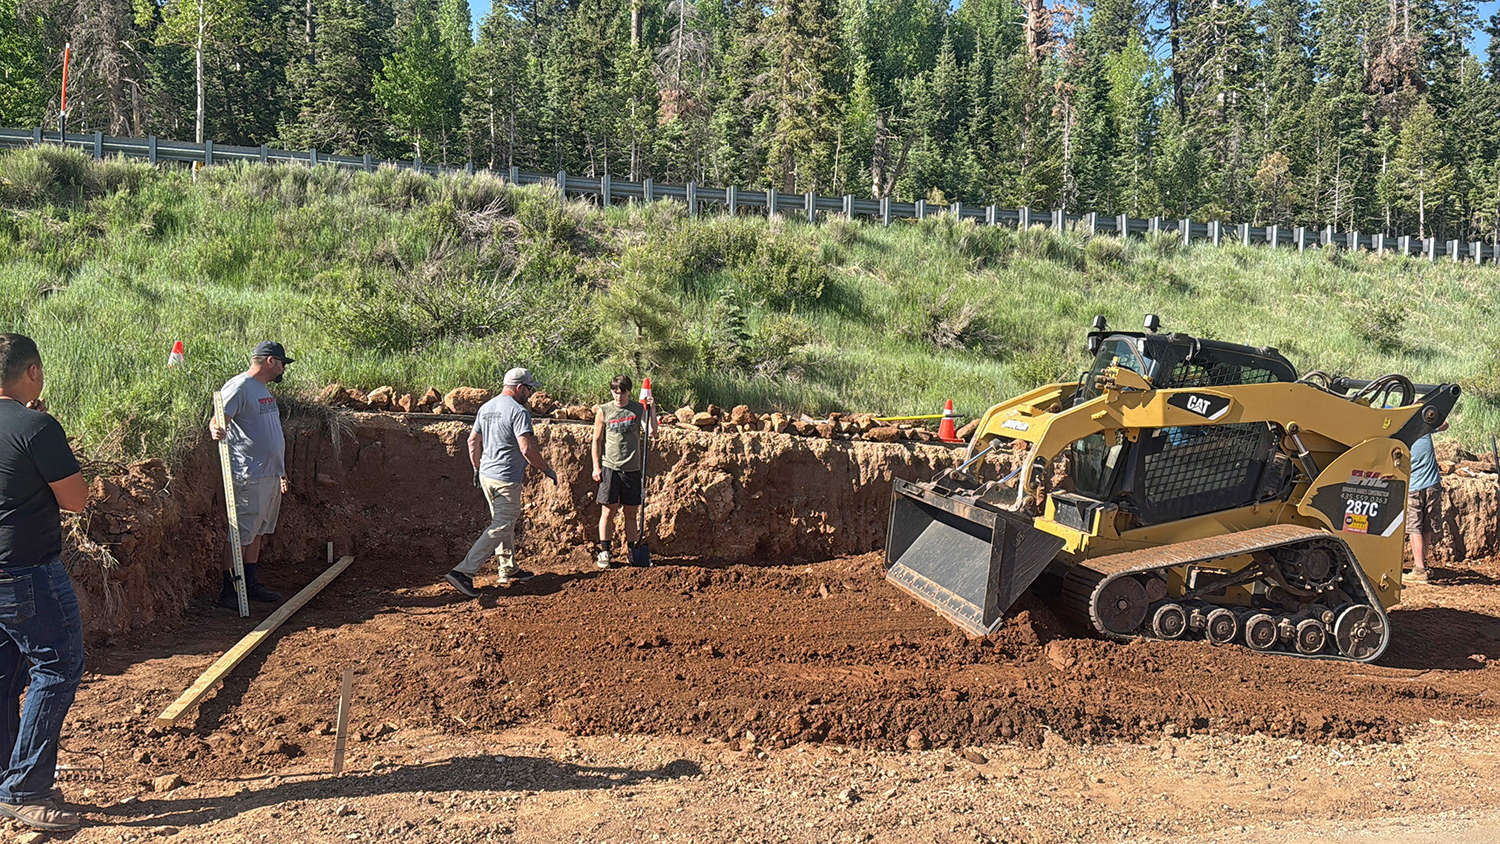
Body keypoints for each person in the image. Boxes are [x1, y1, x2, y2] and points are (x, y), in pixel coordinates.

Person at [0, 334, 88, 832]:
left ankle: (5, 774)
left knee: (4, 675)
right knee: (57, 665)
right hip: (27, 571)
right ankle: (25, 788)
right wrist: (41, 430)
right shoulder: (37, 426)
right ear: (31, 372)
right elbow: (76, 499)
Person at [445, 367, 559, 598]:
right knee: (502, 524)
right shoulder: (518, 411)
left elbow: (472, 441)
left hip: (487, 475)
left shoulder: (486, 408)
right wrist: (546, 469)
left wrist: (477, 469)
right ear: (519, 388)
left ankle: (507, 568)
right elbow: (526, 448)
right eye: (528, 389)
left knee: (501, 522)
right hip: (506, 478)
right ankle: (463, 572)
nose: (530, 394)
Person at [208, 341, 293, 608]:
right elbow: (219, 417)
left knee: (257, 532)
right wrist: (214, 428)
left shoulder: (262, 390)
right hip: (249, 474)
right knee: (241, 533)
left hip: (269, 473)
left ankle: (250, 584)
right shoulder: (240, 387)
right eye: (282, 363)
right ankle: (230, 591)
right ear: (270, 361)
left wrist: (280, 471)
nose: (283, 369)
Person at [591, 375, 655, 569]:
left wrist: (653, 409)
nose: (618, 396)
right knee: (608, 511)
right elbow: (596, 440)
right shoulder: (604, 411)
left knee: (630, 513)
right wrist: (596, 466)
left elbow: (652, 432)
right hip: (610, 468)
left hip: (632, 469)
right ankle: (605, 551)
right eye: (615, 392)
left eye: (622, 393)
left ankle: (632, 551)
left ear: (629, 392)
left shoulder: (638, 409)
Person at [1406, 421, 1448, 584]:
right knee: (1427, 525)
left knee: (1414, 526)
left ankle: (1419, 569)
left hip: (1414, 488)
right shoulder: (1423, 428)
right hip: (1433, 485)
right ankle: (1423, 564)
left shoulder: (1402, 438)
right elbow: (1444, 424)